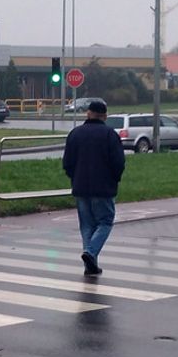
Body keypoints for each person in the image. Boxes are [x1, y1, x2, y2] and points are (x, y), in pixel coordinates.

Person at [62, 99, 125, 276]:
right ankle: (90, 253)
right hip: (104, 187)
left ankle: (90, 264)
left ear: (88, 113)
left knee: (87, 225)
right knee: (105, 222)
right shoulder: (110, 135)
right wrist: (115, 179)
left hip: (81, 186)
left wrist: (74, 178)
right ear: (105, 116)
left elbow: (67, 163)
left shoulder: (75, 134)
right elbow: (118, 162)